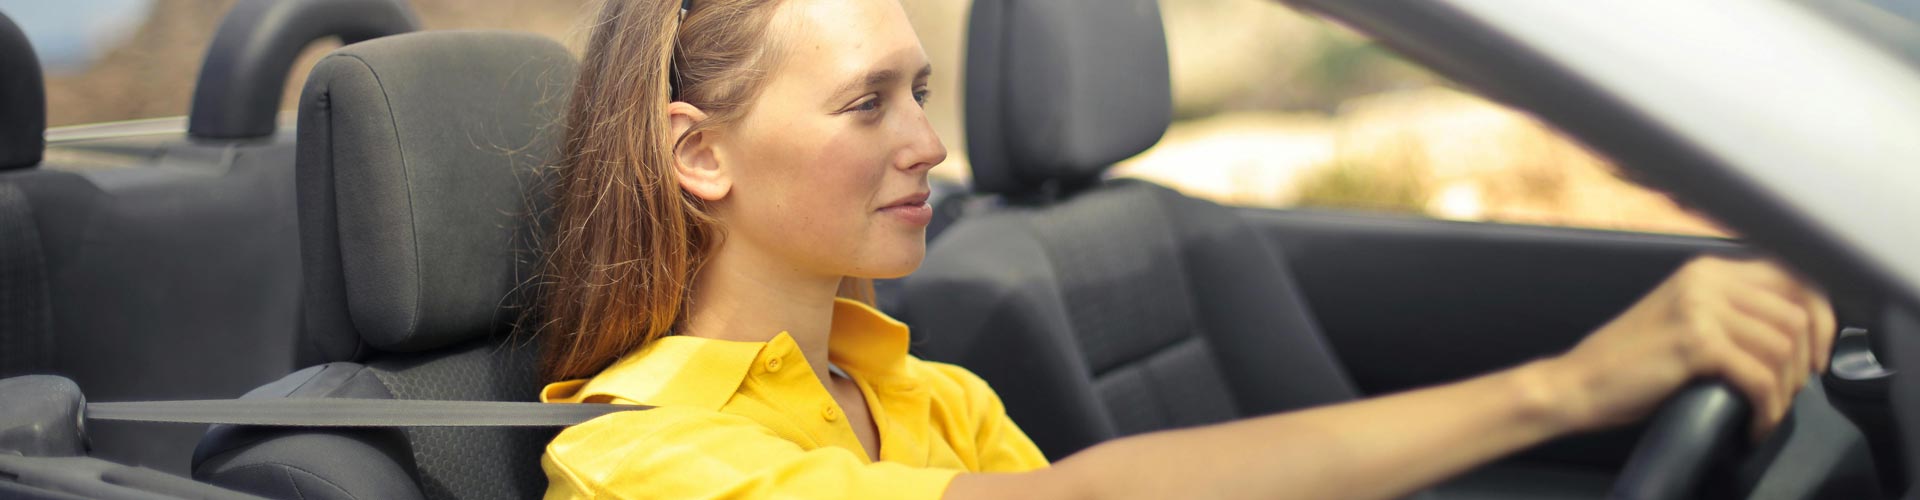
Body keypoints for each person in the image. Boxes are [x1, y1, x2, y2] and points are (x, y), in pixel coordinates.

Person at [532, 0, 1838, 497]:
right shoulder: (639, 458)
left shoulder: (929, 398)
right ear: (700, 155)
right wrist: (1565, 388)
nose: (929, 142)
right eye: (867, 103)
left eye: (921, 90)